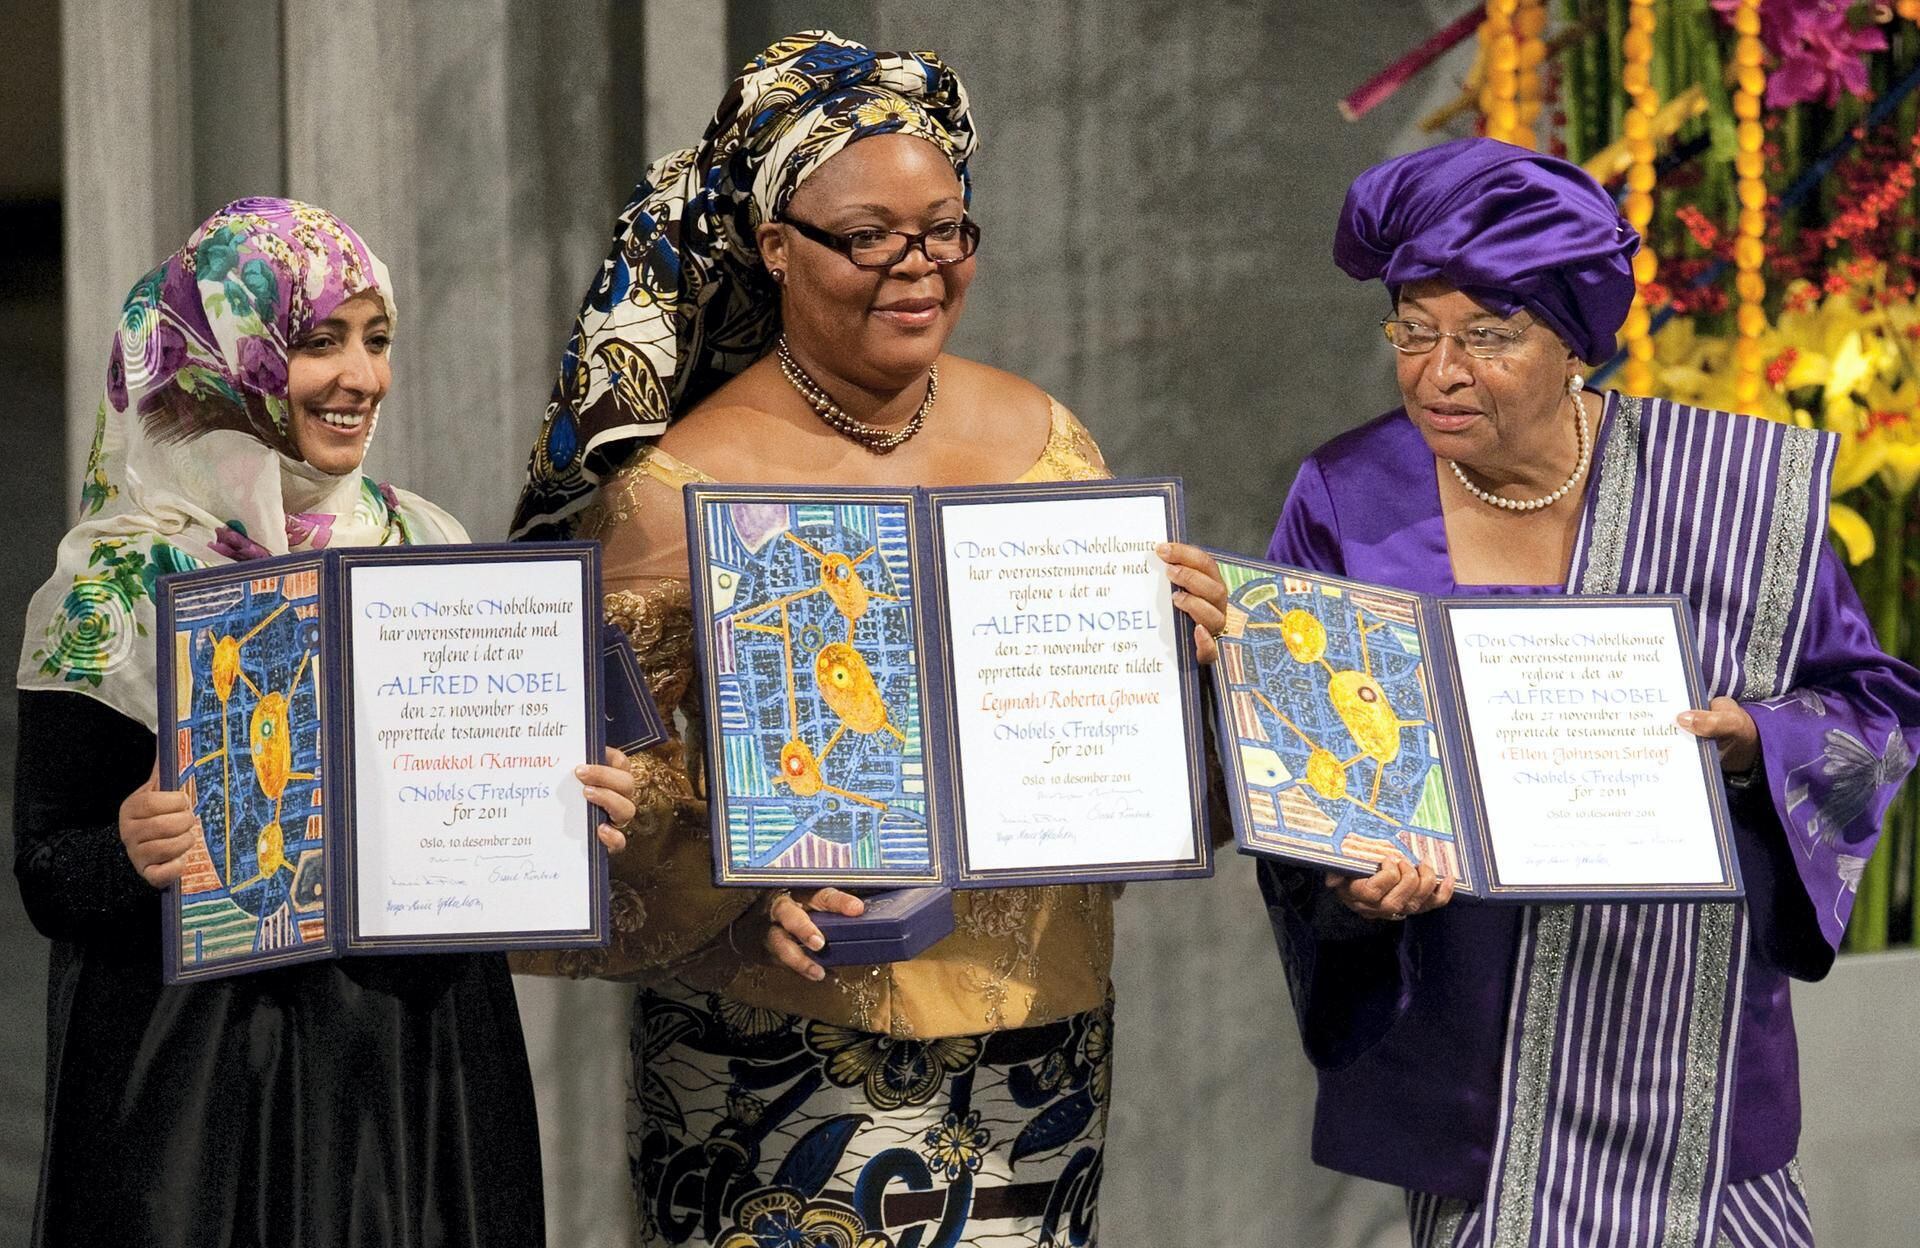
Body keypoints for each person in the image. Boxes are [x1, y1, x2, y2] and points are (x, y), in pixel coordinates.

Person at [1162, 138, 1920, 1246]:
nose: (1440, 371)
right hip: (1478, 1082)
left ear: (1575, 341)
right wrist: (1350, 884)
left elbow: (1876, 713)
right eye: (1412, 332)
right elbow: (1300, 773)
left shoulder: (1736, 492)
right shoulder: (1348, 493)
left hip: (1688, 1076)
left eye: (1488, 335)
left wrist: (1758, 737)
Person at [510, 31, 1118, 1247]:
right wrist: (735, 891)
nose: (918, 267)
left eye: (947, 229)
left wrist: (1185, 668)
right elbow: (593, 779)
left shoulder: (1050, 439)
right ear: (775, 244)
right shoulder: (676, 487)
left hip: (1036, 1049)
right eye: (868, 237)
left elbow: (1098, 725)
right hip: (772, 1050)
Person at [14, 198, 637, 1247]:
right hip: (201, 1093)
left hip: (415, 1065)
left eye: (377, 339)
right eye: (318, 340)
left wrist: (574, 803)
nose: (362, 376)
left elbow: (503, 795)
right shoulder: (113, 587)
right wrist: (127, 851)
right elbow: (45, 867)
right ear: (227, 354)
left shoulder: (426, 543)